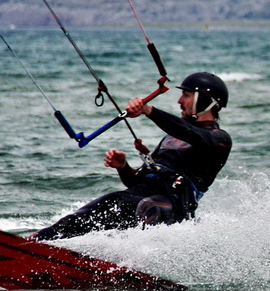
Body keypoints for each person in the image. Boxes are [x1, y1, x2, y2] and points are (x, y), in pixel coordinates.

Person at [33, 72, 232, 240]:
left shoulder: (219, 139)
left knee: (147, 207)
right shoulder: (171, 138)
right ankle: (36, 244)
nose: (180, 101)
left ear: (204, 100)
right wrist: (123, 166)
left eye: (186, 96)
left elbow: (191, 133)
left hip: (173, 208)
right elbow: (136, 182)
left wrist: (149, 110)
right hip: (141, 196)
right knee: (101, 206)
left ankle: (138, 265)